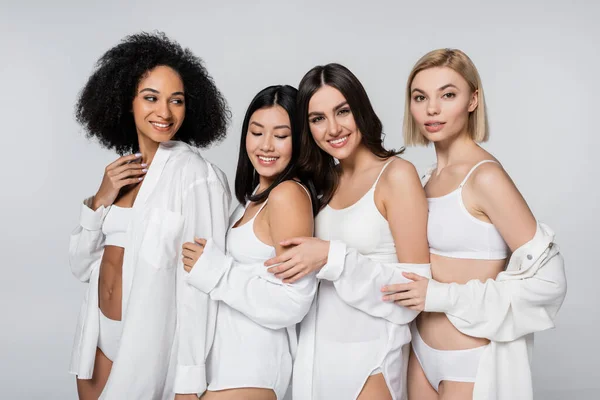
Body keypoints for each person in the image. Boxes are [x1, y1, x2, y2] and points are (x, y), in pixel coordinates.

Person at [381, 48, 567, 400]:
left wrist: (440, 295)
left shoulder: (485, 178)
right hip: (419, 355)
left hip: (469, 361)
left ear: (473, 100)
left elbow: (550, 280)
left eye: (447, 95)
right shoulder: (423, 179)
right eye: (420, 97)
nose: (431, 109)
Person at [68, 31, 231, 399]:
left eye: (176, 101)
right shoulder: (123, 174)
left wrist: (191, 378)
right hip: (97, 339)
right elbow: (81, 267)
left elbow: (201, 285)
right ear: (127, 101)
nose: (165, 112)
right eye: (151, 98)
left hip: (146, 344)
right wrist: (100, 199)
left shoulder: (196, 175)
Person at [264, 64, 431, 399]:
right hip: (314, 364)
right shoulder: (323, 184)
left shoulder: (396, 175)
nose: (333, 128)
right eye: (318, 118)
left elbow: (414, 295)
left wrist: (331, 256)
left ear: (361, 110)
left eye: (343, 111)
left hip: (371, 363)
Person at [181, 85, 318, 400]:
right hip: (224, 365)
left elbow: (294, 301)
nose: (266, 145)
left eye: (281, 136)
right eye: (257, 132)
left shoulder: (287, 196)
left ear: (299, 140)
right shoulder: (250, 200)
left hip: (253, 365)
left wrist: (215, 270)